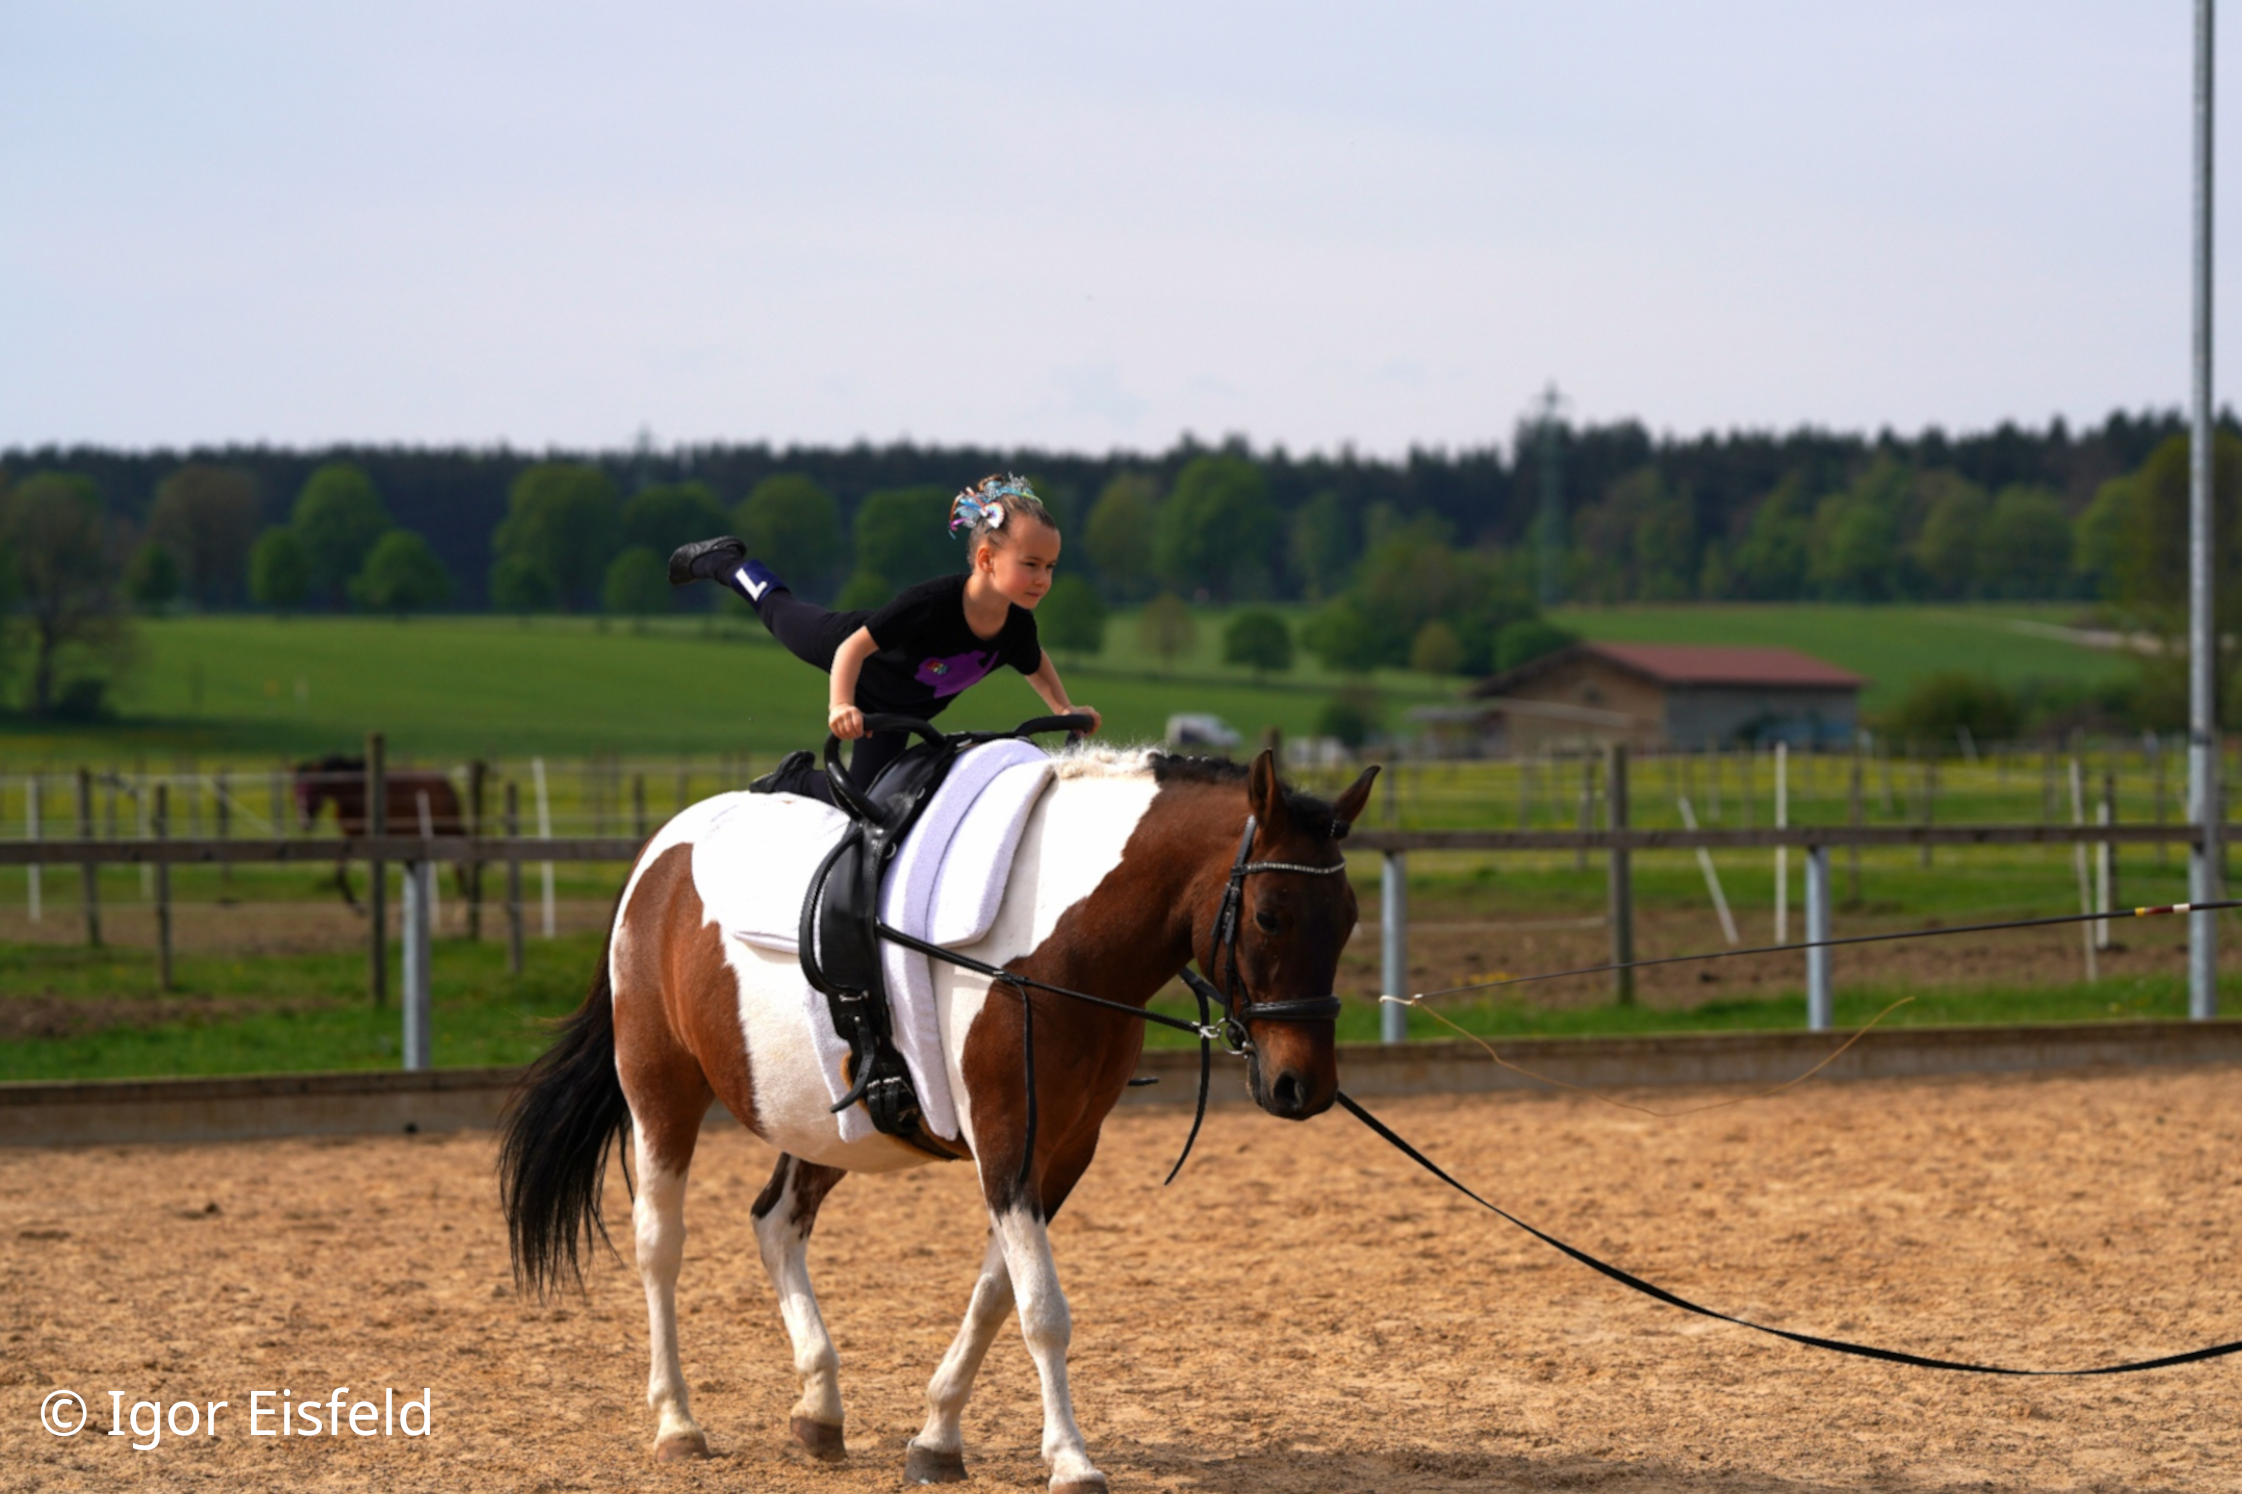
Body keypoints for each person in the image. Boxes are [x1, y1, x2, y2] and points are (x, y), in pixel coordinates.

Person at [669, 474, 1101, 802]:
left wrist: (1065, 709)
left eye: (1051, 567)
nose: (1043, 579)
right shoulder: (930, 603)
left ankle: (792, 779)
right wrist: (841, 704)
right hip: (848, 654)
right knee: (779, 612)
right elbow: (854, 648)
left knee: (857, 797)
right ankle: (722, 561)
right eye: (1031, 564)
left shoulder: (1016, 625)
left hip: (896, 710)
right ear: (987, 559)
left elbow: (1034, 663)